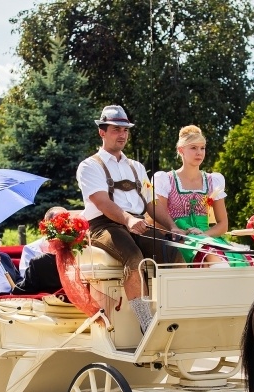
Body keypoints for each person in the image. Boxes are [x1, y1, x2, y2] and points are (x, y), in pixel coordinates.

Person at [76, 105, 181, 333]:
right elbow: (102, 202)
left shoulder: (137, 167)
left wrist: (172, 226)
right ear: (102, 132)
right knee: (133, 257)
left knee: (172, 251)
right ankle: (147, 324)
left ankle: (173, 316)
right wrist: (128, 220)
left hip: (137, 223)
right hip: (104, 225)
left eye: (125, 130)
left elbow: (151, 204)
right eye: (116, 129)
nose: (122, 134)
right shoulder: (89, 166)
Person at [152, 125, 249, 268]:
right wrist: (180, 230)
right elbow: (158, 219)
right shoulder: (165, 180)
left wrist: (204, 234)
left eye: (202, 148)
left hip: (207, 237)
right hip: (180, 239)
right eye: (193, 148)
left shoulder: (213, 180)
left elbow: (223, 224)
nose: (199, 153)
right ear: (181, 150)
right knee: (211, 255)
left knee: (236, 260)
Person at [12, 206, 68, 295]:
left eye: (67, 221)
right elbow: (26, 278)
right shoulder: (30, 249)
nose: (63, 225)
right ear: (47, 224)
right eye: (58, 221)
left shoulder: (74, 247)